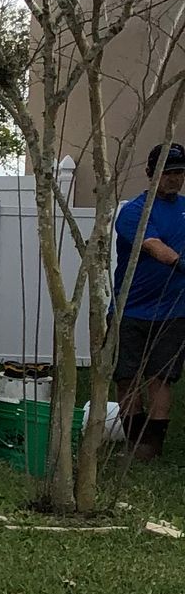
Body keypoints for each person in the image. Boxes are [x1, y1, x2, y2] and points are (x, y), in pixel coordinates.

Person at [112, 141, 185, 460]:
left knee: (160, 378)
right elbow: (157, 248)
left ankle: (151, 448)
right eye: (167, 172)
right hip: (129, 309)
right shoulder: (134, 212)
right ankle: (133, 442)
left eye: (179, 172)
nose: (174, 178)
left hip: (173, 311)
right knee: (127, 378)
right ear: (150, 173)